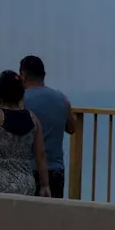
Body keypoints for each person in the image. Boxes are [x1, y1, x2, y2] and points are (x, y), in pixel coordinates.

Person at [19, 55, 75, 198]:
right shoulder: (61, 98)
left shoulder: (20, 100)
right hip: (56, 171)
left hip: (27, 169)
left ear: (23, 76)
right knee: (52, 217)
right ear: (43, 76)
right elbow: (71, 128)